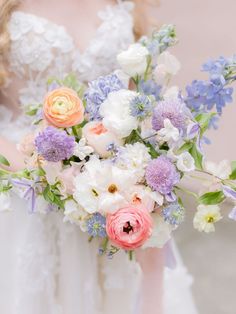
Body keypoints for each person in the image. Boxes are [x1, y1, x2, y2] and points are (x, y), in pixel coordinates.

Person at [0, 1, 198, 313]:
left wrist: (138, 172)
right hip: (24, 194)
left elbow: (132, 97)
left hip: (110, 195)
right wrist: (47, 172)